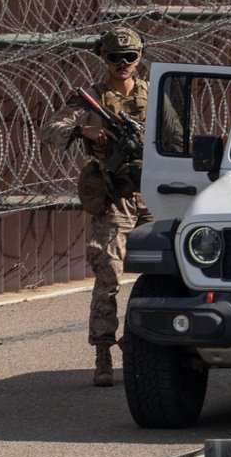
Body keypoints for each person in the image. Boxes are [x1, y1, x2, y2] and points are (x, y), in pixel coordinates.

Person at [41, 27, 153, 386]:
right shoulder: (91, 98)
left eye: (130, 57)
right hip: (115, 194)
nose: (123, 64)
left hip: (152, 192)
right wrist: (82, 131)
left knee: (167, 268)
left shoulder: (154, 93)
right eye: (115, 58)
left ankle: (161, 346)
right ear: (104, 59)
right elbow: (50, 129)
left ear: (140, 57)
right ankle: (103, 351)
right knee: (108, 273)